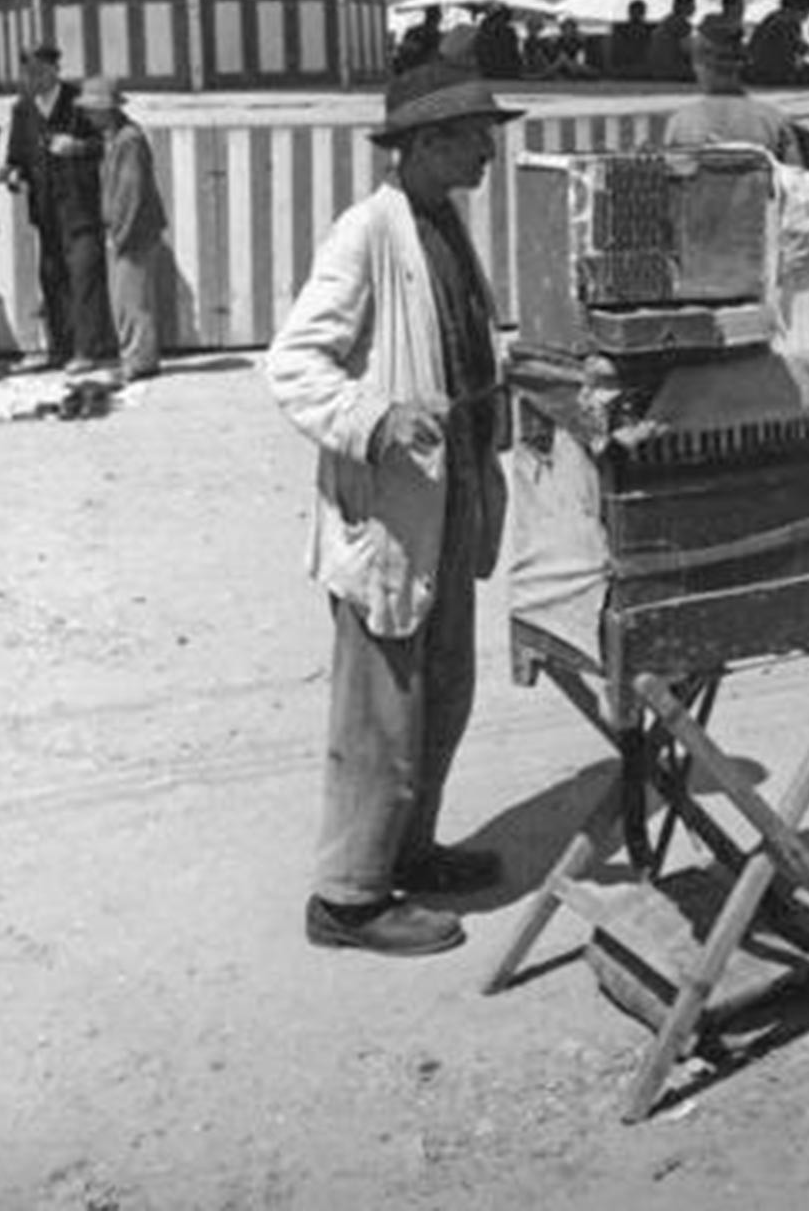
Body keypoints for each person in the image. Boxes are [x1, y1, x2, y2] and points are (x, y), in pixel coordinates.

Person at [266, 61, 522, 958]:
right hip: (393, 511)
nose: (488, 149)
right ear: (423, 144)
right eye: (470, 135)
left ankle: (409, 851)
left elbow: (456, 347)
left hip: (448, 504)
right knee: (380, 710)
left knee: (440, 691)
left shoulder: (443, 222)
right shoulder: (366, 232)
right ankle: (347, 898)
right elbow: (294, 363)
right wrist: (375, 419)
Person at [3, 42, 115, 368]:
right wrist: (13, 175)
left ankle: (87, 351)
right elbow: (17, 159)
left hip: (81, 208)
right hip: (45, 213)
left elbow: (107, 142)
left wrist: (77, 146)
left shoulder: (80, 101)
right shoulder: (22, 109)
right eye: (26, 73)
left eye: (38, 71)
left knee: (84, 278)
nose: (31, 78)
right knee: (52, 281)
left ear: (55, 70)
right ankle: (61, 349)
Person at [75, 75, 168, 381]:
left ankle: (139, 360)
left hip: (134, 231)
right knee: (126, 298)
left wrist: (121, 235)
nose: (87, 115)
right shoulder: (115, 136)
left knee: (132, 300)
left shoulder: (128, 139)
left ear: (106, 109)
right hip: (127, 229)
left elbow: (131, 193)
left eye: (91, 109)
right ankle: (136, 357)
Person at [664, 15, 803, 162]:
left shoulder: (682, 122)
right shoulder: (773, 121)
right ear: (740, 64)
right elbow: (795, 177)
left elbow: (672, 176)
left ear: (699, 64)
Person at [645, 0, 696, 82]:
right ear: (682, 6)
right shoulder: (682, 24)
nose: (694, 8)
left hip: (655, 70)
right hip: (673, 71)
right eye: (692, 5)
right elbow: (687, 52)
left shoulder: (666, 21)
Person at [608, 0, 654, 78]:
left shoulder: (649, 31)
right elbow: (617, 53)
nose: (637, 15)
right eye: (635, 12)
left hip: (640, 68)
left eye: (639, 12)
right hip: (626, 68)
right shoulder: (620, 30)